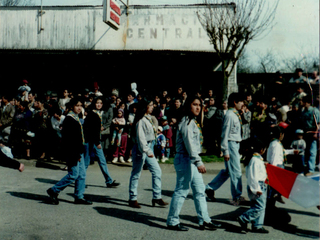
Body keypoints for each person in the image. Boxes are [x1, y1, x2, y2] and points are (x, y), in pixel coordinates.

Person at [167, 96, 221, 231]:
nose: (198, 107)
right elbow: (189, 145)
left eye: (200, 105)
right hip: (185, 159)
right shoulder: (186, 122)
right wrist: (198, 162)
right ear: (188, 106)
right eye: (195, 104)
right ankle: (172, 221)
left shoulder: (193, 121)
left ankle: (204, 220)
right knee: (182, 190)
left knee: (199, 191)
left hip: (191, 159)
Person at [46, 97, 92, 205]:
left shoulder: (76, 117)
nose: (79, 108)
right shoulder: (69, 119)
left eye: (81, 105)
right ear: (72, 106)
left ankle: (79, 196)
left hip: (79, 150)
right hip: (72, 152)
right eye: (77, 105)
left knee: (82, 174)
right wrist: (75, 154)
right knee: (73, 174)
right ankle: (54, 190)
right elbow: (69, 140)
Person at [205, 93, 245, 206]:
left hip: (235, 144)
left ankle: (209, 188)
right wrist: (225, 150)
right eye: (240, 101)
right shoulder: (230, 115)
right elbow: (225, 134)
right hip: (231, 144)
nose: (242, 104)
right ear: (234, 102)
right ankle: (237, 196)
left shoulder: (235, 114)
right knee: (236, 171)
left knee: (228, 171)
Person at [128, 98, 168, 208]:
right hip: (141, 148)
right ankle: (132, 198)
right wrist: (146, 150)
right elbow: (141, 138)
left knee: (157, 171)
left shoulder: (149, 118)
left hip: (149, 146)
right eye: (150, 105)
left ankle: (157, 196)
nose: (152, 107)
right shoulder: (141, 120)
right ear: (145, 107)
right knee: (136, 173)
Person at [83, 97, 120, 188]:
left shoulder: (102, 112)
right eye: (97, 103)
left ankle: (109, 181)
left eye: (100, 103)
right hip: (90, 141)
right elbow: (89, 130)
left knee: (102, 160)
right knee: (86, 162)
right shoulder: (91, 113)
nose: (99, 105)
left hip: (97, 140)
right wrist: (97, 142)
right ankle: (80, 182)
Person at [237, 139, 269, 234]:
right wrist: (256, 189)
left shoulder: (257, 159)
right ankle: (244, 218)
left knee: (257, 206)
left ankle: (257, 225)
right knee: (260, 207)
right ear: (261, 150)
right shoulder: (255, 160)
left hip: (260, 184)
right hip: (257, 185)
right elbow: (253, 176)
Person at [266, 126, 299, 204]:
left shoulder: (275, 143)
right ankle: (272, 201)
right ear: (280, 134)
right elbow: (274, 158)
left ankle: (275, 198)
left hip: (278, 166)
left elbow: (282, 152)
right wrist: (273, 170)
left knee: (276, 187)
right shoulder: (276, 145)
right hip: (276, 167)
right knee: (274, 187)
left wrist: (292, 151)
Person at [300, 95, 320, 175]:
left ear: (307, 102)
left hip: (313, 133)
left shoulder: (315, 111)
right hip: (306, 133)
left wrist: (316, 133)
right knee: (307, 151)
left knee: (312, 151)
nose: (301, 103)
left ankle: (311, 170)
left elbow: (318, 123)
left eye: (303, 101)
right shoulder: (304, 112)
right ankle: (307, 167)